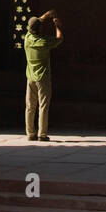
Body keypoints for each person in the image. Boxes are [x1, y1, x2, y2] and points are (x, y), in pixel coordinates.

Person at [24, 9, 63, 141]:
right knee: (43, 106)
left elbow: (34, 24)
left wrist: (45, 16)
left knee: (30, 106)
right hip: (43, 78)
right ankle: (42, 134)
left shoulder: (27, 39)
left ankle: (30, 133)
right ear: (39, 30)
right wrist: (57, 25)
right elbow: (59, 38)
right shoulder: (43, 42)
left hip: (30, 78)